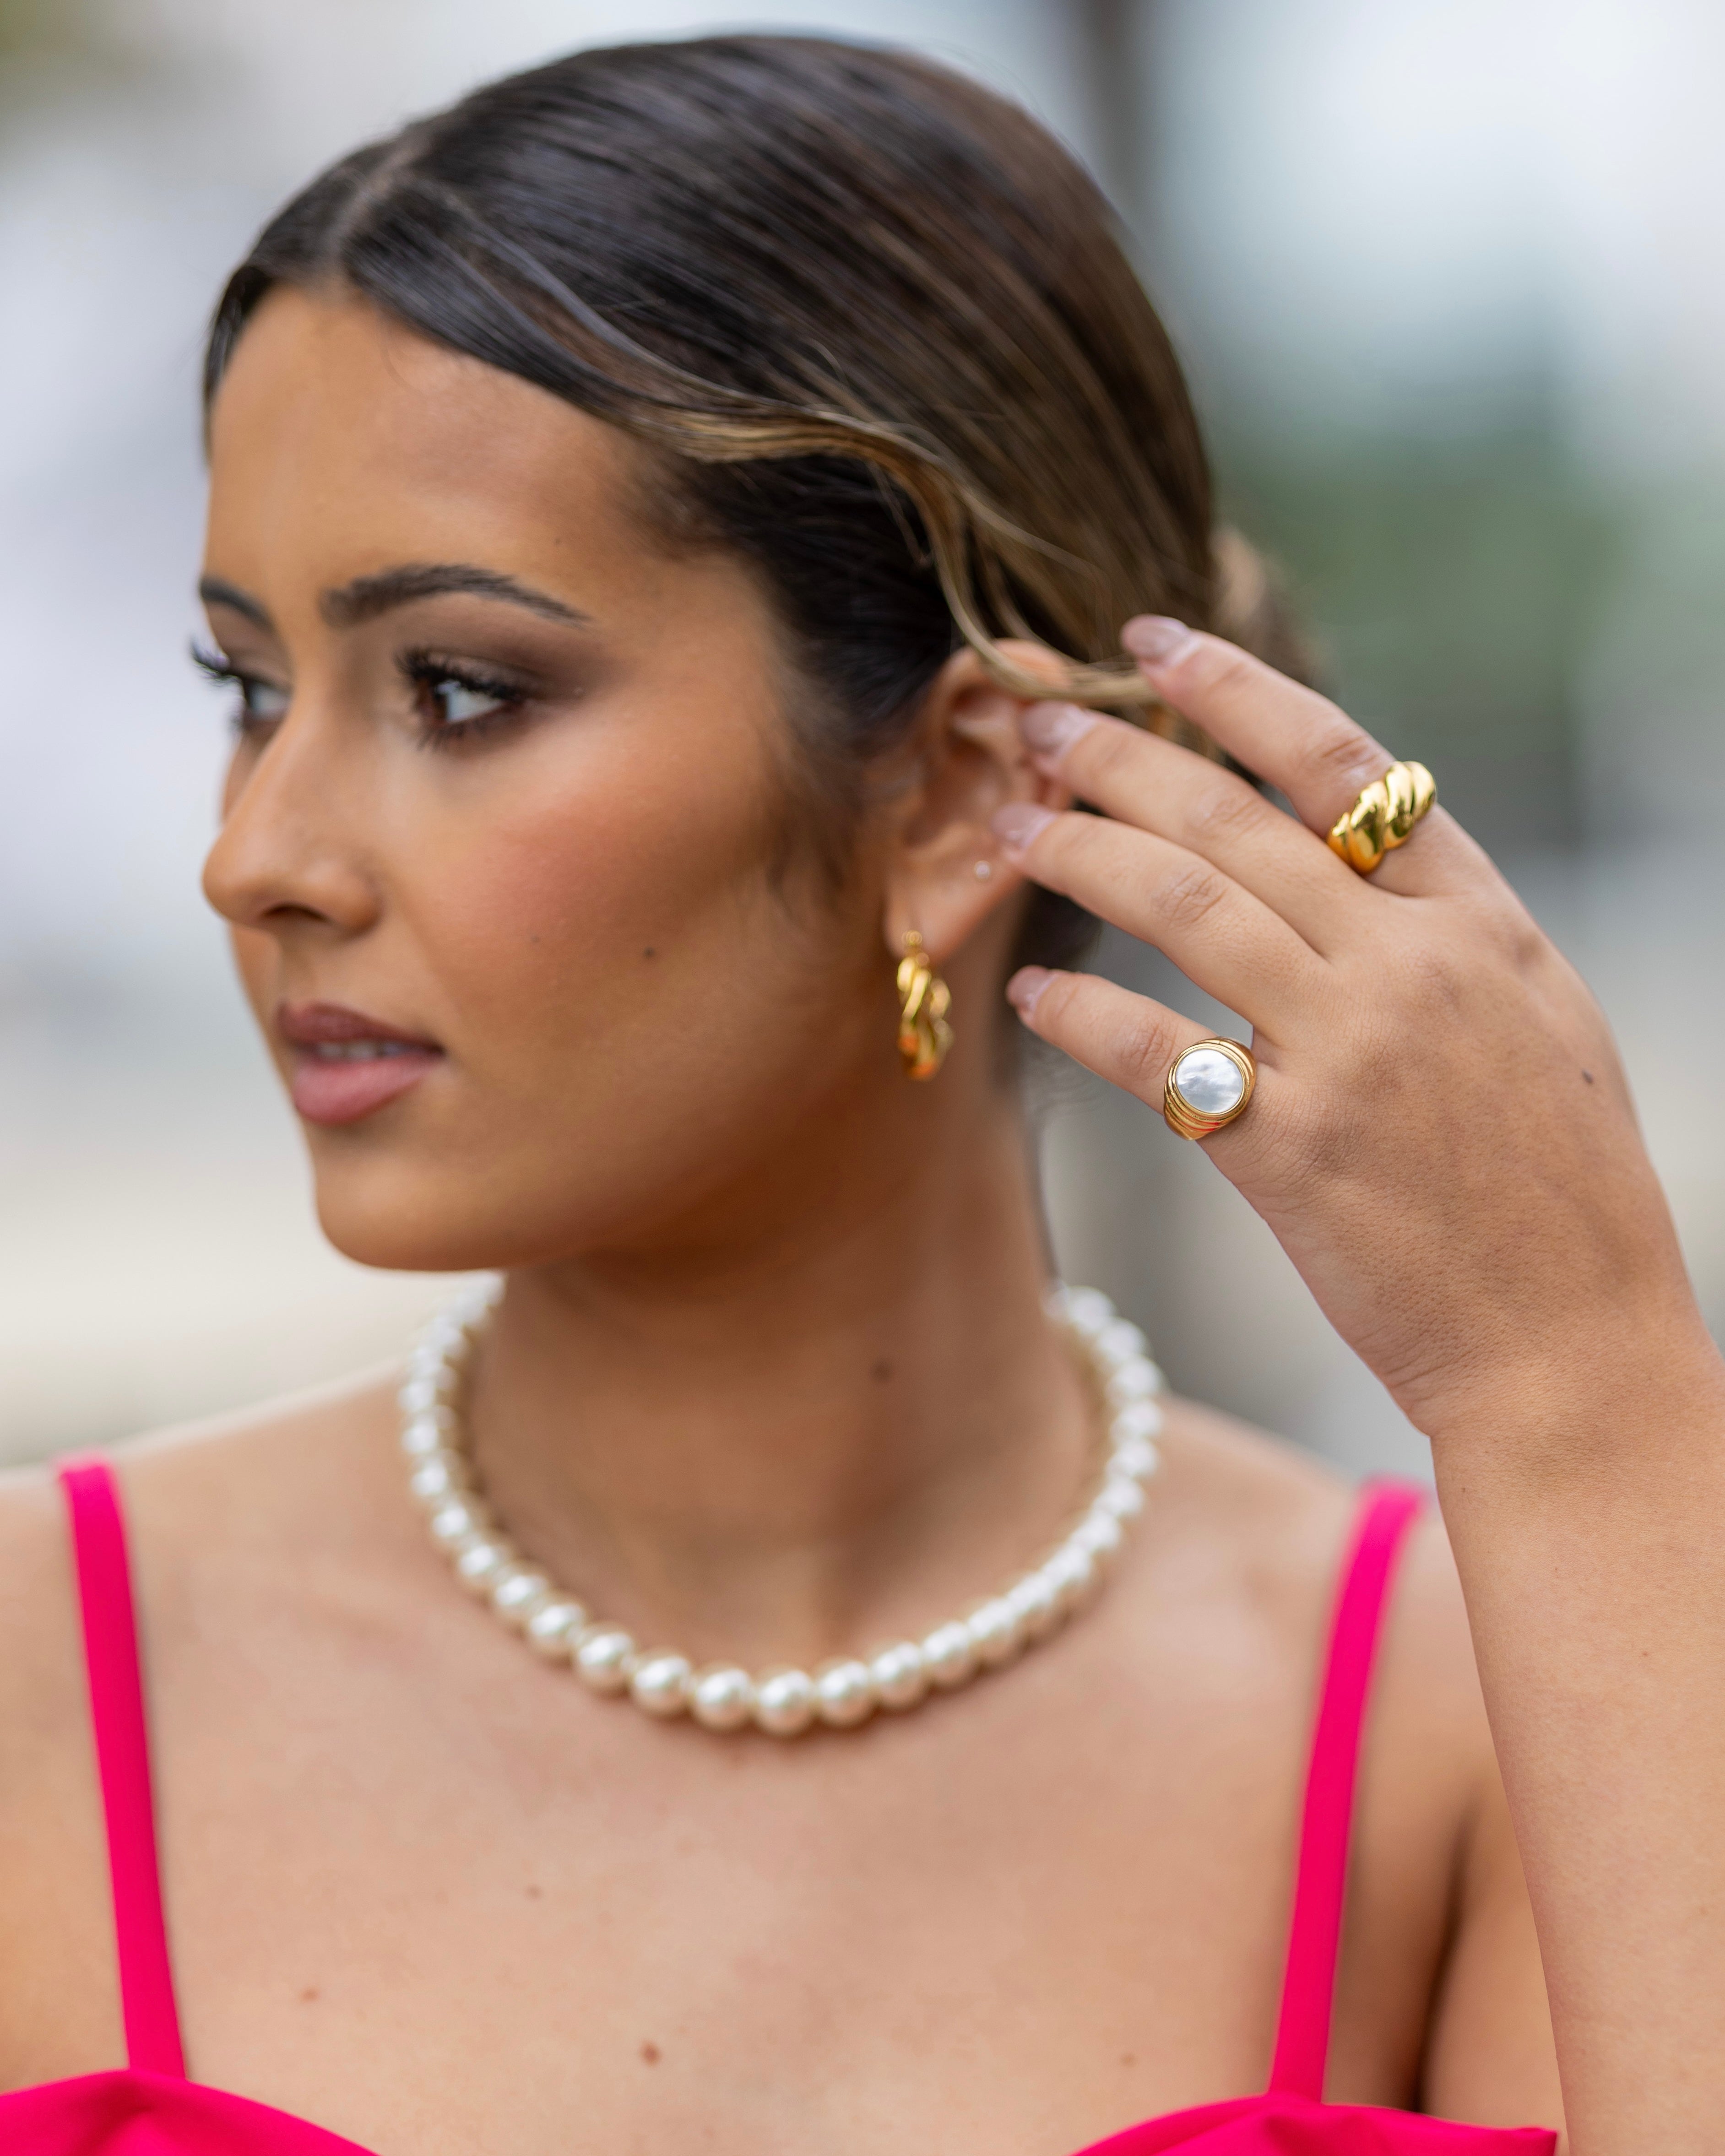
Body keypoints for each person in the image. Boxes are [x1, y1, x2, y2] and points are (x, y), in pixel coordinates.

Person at [2, 33, 1720, 2156]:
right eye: (251, 688)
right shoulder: (33, 1680)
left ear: (962, 792)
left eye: (457, 686)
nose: (254, 854)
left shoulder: (1479, 1727)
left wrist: (1585, 1391)